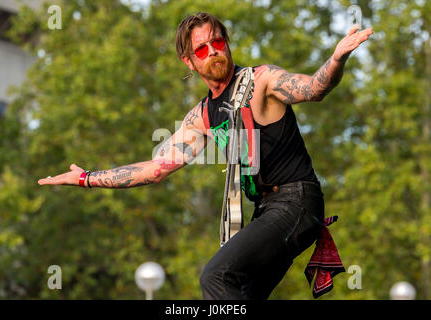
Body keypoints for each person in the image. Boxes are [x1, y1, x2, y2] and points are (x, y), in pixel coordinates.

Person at [38, 12, 373, 299]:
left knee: (216, 276)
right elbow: (155, 169)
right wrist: (87, 178)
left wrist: (337, 58)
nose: (213, 51)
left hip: (297, 202)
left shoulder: (260, 81)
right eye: (202, 48)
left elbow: (314, 88)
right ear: (189, 60)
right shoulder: (202, 116)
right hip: (267, 210)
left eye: (218, 42)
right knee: (238, 293)